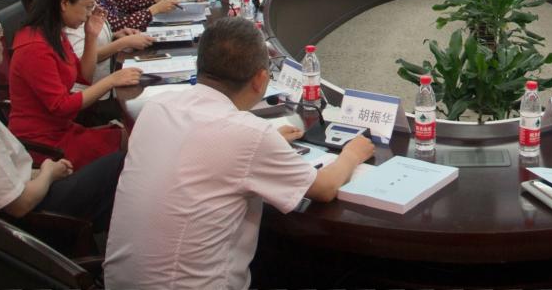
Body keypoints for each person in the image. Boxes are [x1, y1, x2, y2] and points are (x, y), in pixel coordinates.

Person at [103, 18, 375, 290]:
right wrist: (352, 153)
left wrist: (268, 143)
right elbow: (324, 188)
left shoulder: (157, 107)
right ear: (260, 79)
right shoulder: (249, 135)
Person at [0, 0, 125, 230]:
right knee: (123, 163)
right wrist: (48, 172)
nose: (0, 35)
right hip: (31, 217)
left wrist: (41, 172)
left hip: (29, 178)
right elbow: (19, 204)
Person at [8, 0, 143, 168]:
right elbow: (61, 106)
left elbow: (83, 77)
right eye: (87, 7)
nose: (90, 14)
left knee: (134, 136)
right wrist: (111, 81)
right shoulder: (35, 47)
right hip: (44, 143)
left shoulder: (54, 33)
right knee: (133, 144)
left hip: (62, 129)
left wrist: (91, 35)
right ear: (65, 3)